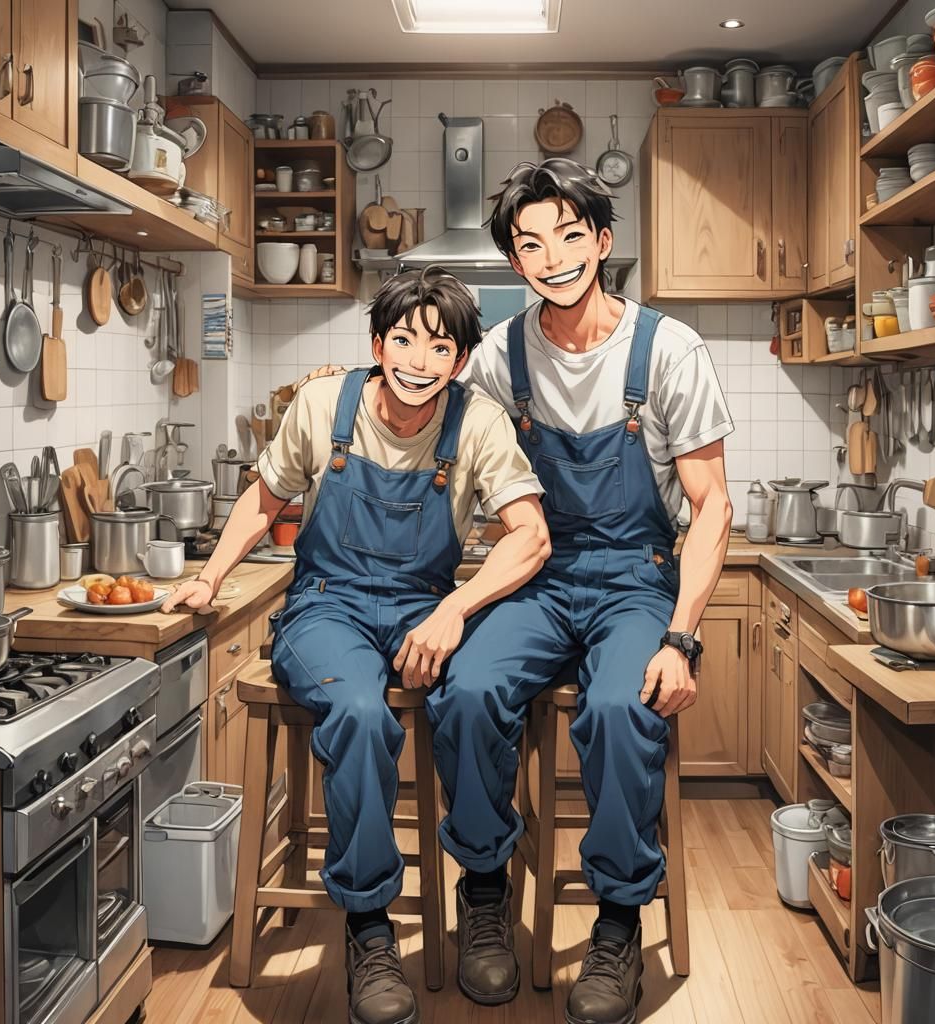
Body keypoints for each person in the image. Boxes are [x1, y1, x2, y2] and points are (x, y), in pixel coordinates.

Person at [163, 267, 550, 1024]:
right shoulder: (321, 403)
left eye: (438, 346)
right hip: (327, 608)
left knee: (475, 701)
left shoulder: (477, 423)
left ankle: (482, 895)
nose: (417, 357)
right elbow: (265, 497)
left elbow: (531, 536)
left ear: (459, 361)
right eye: (402, 338)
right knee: (362, 716)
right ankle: (371, 929)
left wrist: (456, 610)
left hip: (426, 609)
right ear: (378, 344)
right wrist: (210, 578)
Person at [423, 158, 734, 1024]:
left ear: (602, 241)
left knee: (619, 707)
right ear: (514, 264)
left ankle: (618, 924)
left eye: (568, 235)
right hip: (534, 573)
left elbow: (711, 508)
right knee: (469, 690)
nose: (551, 256)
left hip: (637, 576)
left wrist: (682, 636)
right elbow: (453, 477)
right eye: (528, 244)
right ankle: (484, 895)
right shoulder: (494, 356)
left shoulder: (669, 349)